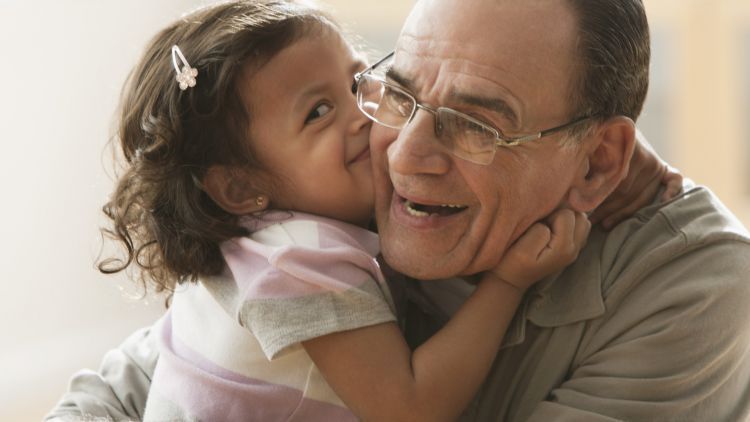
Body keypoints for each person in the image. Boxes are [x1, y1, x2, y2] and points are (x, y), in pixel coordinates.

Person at [47, 0, 750, 421]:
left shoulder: (695, 281)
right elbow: (129, 385)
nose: (402, 155)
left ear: (598, 161)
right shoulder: (325, 213)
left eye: (476, 123)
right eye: (399, 94)